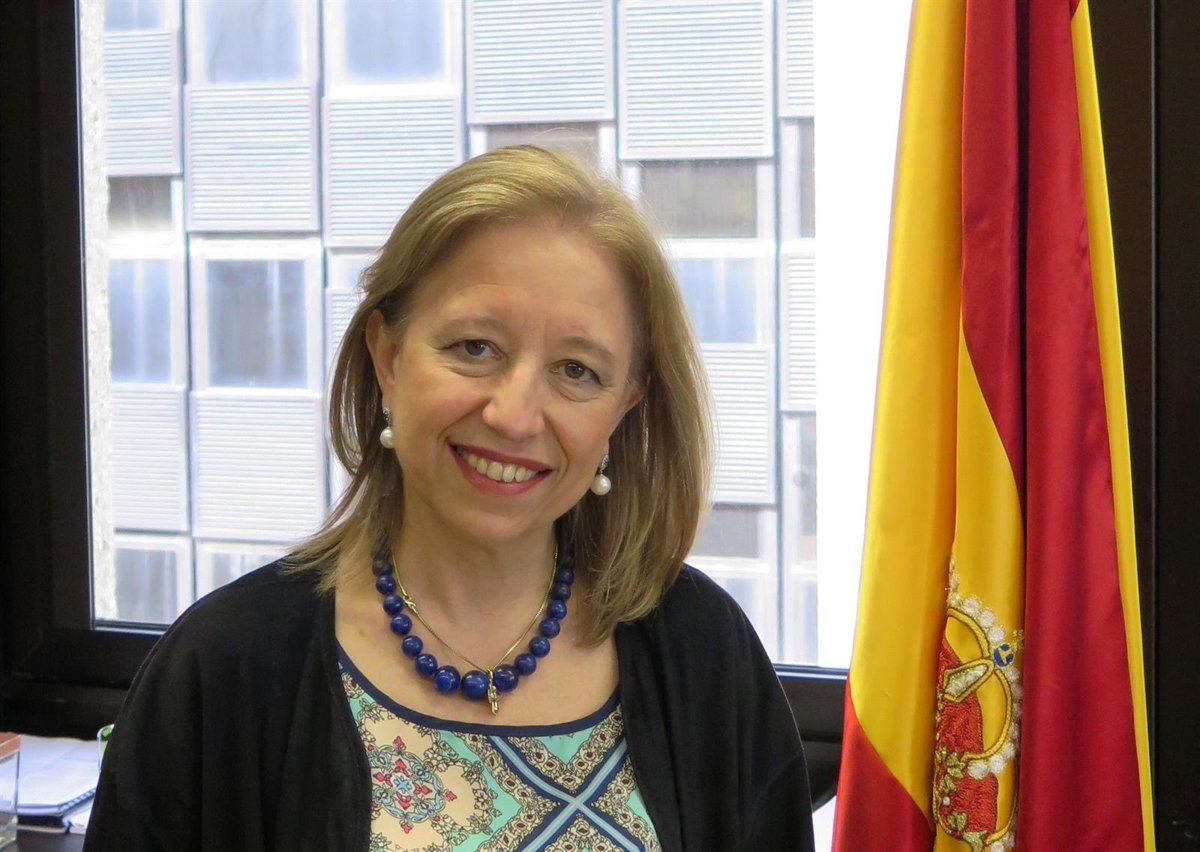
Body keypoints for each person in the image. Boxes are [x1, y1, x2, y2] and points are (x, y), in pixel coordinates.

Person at [84, 146, 815, 851]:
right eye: (475, 348)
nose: (514, 416)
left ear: (625, 407)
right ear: (388, 357)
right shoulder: (222, 670)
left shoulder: (704, 653)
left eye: (576, 370)